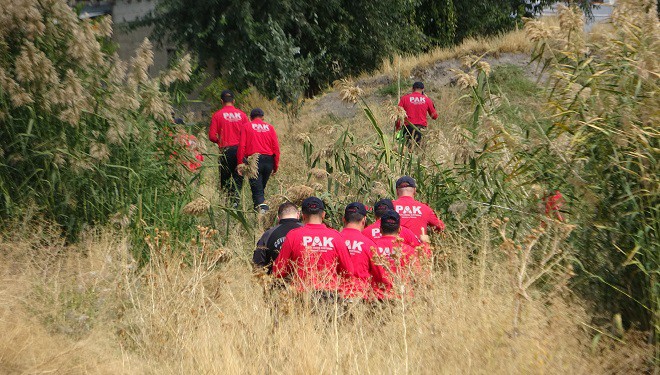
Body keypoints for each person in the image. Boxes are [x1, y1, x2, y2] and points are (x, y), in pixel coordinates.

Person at [272, 197, 355, 295]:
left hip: (302, 295)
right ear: (323, 215)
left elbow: (278, 271)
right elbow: (349, 272)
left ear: (302, 216)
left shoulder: (293, 235)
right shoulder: (336, 236)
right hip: (329, 296)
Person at [208, 90, 249, 203]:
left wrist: (220, 141)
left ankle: (226, 204)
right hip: (240, 151)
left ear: (222, 101)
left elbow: (211, 136)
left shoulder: (217, 115)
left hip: (225, 151)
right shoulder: (242, 115)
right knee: (238, 178)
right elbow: (248, 134)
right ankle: (236, 203)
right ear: (234, 101)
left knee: (225, 180)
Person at [237, 108, 281, 213]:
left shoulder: (246, 126)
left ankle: (263, 214)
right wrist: (275, 166)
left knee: (258, 192)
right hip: (268, 161)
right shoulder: (270, 128)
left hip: (254, 161)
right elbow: (276, 148)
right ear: (263, 117)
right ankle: (258, 212)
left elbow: (242, 146)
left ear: (250, 118)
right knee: (260, 190)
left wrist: (240, 164)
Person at [339, 202, 384, 300]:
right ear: (364, 220)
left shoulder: (334, 240)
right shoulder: (369, 245)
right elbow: (379, 275)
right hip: (360, 296)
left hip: (336, 296)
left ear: (343, 219)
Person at [371, 210, 419, 299]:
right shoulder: (409, 251)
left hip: (378, 299)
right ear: (400, 229)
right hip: (403, 299)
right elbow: (419, 276)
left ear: (380, 229)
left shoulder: (372, 249)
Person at [253, 202, 302, 274]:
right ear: (298, 215)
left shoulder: (268, 234)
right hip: (304, 281)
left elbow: (258, 263)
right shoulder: (308, 231)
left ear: (278, 218)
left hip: (276, 281)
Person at [396, 81, 438, 147]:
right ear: (423, 89)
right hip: (421, 128)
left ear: (412, 89)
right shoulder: (427, 100)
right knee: (419, 149)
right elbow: (434, 116)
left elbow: (398, 115)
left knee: (407, 150)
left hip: (407, 127)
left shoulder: (404, 98)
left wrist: (397, 128)